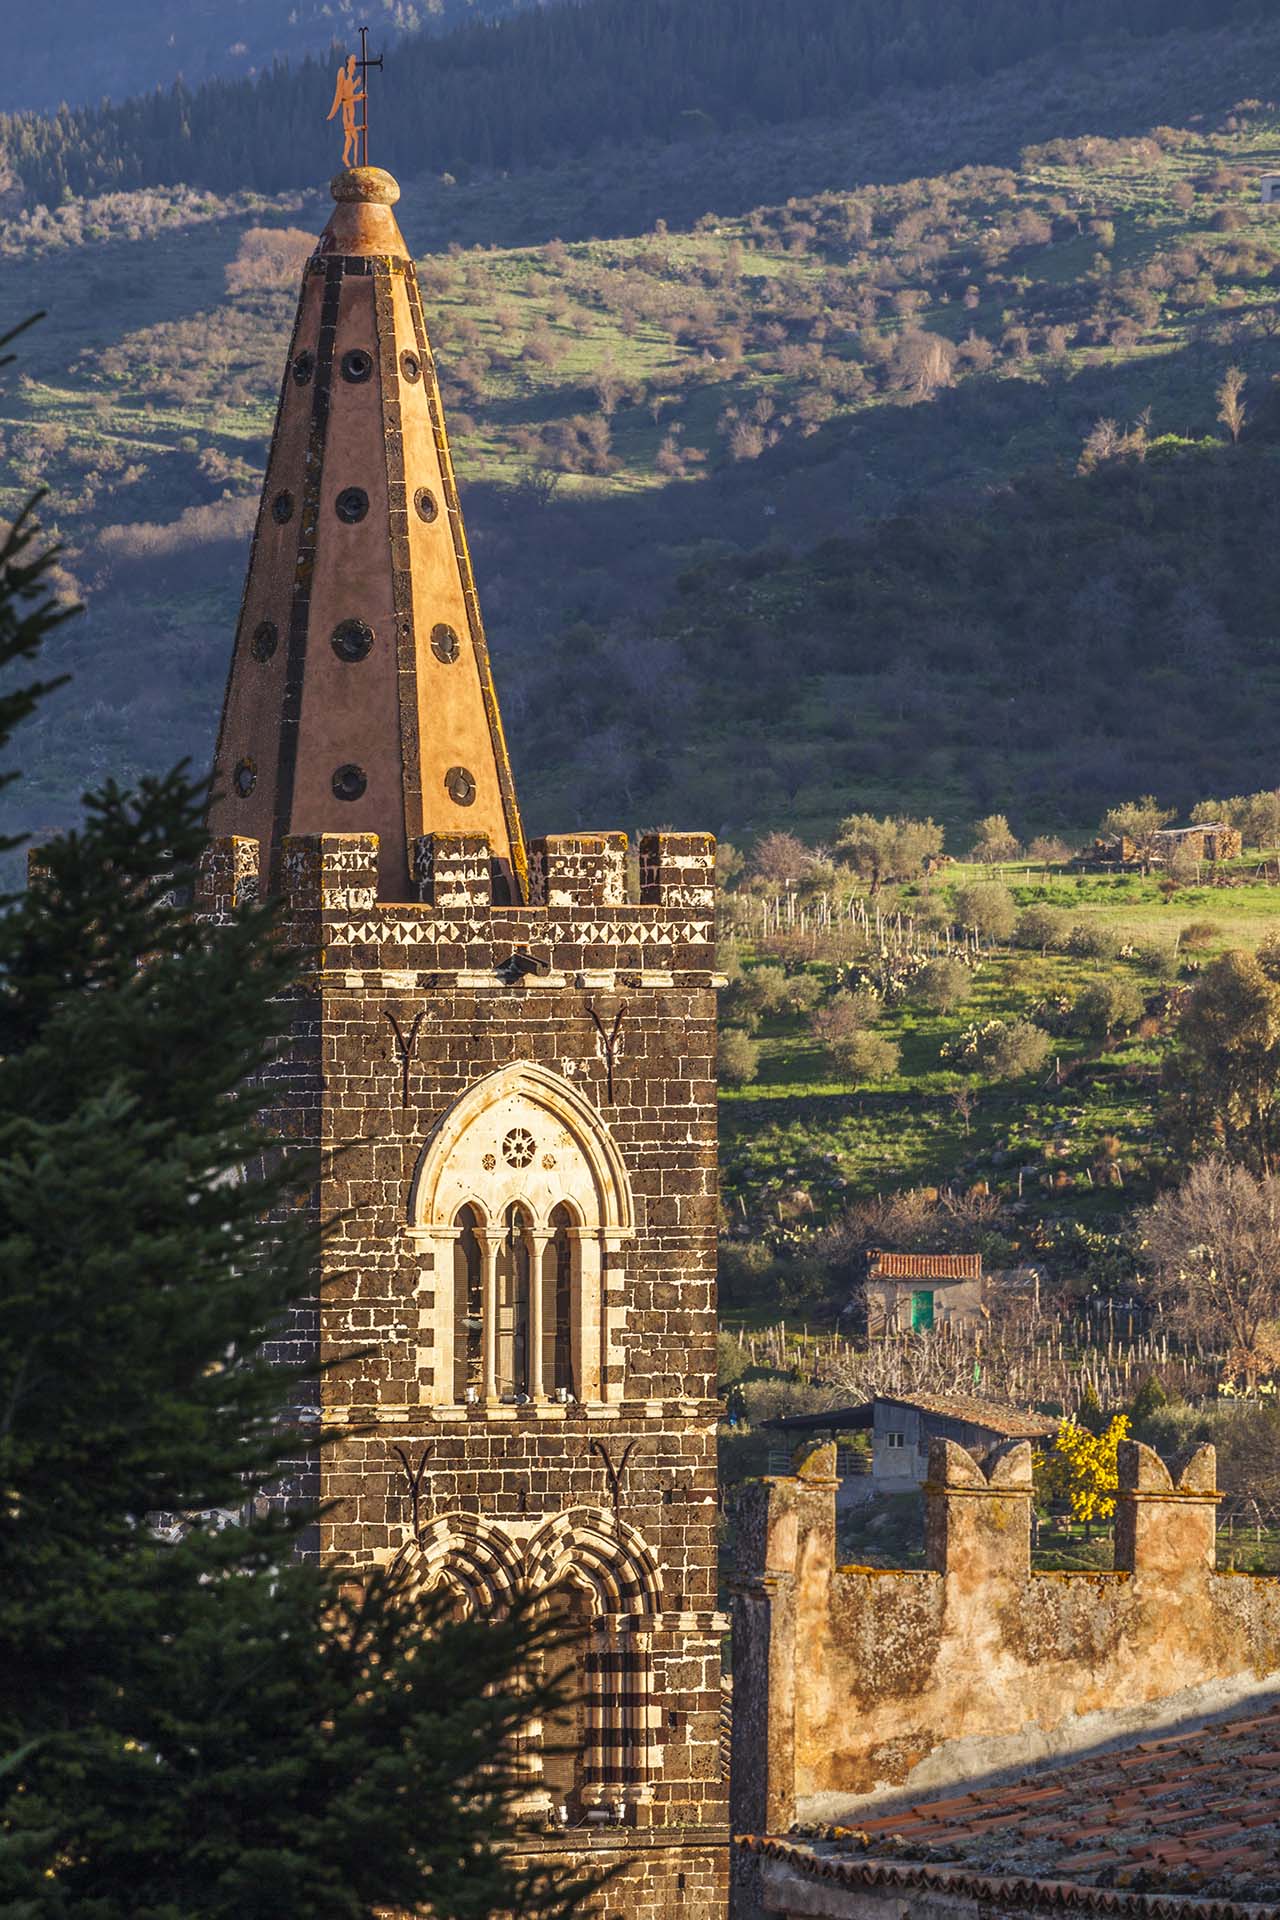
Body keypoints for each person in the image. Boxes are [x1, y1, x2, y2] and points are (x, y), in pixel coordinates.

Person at [327, 55, 365, 168]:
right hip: (347, 113)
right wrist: (359, 96)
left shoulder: (349, 79)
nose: (354, 67)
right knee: (353, 137)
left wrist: (357, 85)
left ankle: (351, 159)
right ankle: (352, 160)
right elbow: (345, 98)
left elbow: (350, 93)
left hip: (350, 111)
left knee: (351, 138)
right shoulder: (344, 77)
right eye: (353, 64)